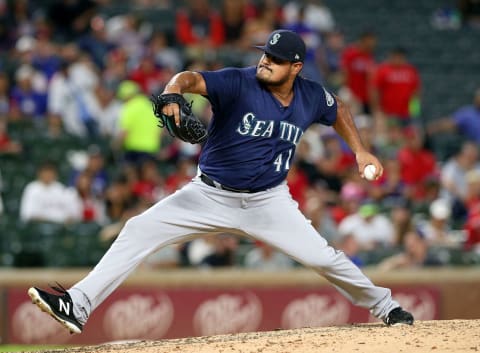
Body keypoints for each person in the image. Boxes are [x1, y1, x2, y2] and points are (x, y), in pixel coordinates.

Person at [28, 29, 414, 334]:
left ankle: (386, 306)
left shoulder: (311, 96)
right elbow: (190, 79)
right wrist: (172, 93)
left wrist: (360, 151)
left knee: (323, 257)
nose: (266, 61)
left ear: (295, 67)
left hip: (269, 202)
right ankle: (77, 304)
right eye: (266, 53)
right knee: (137, 229)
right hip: (209, 195)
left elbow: (339, 109)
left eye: (277, 59)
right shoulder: (239, 82)